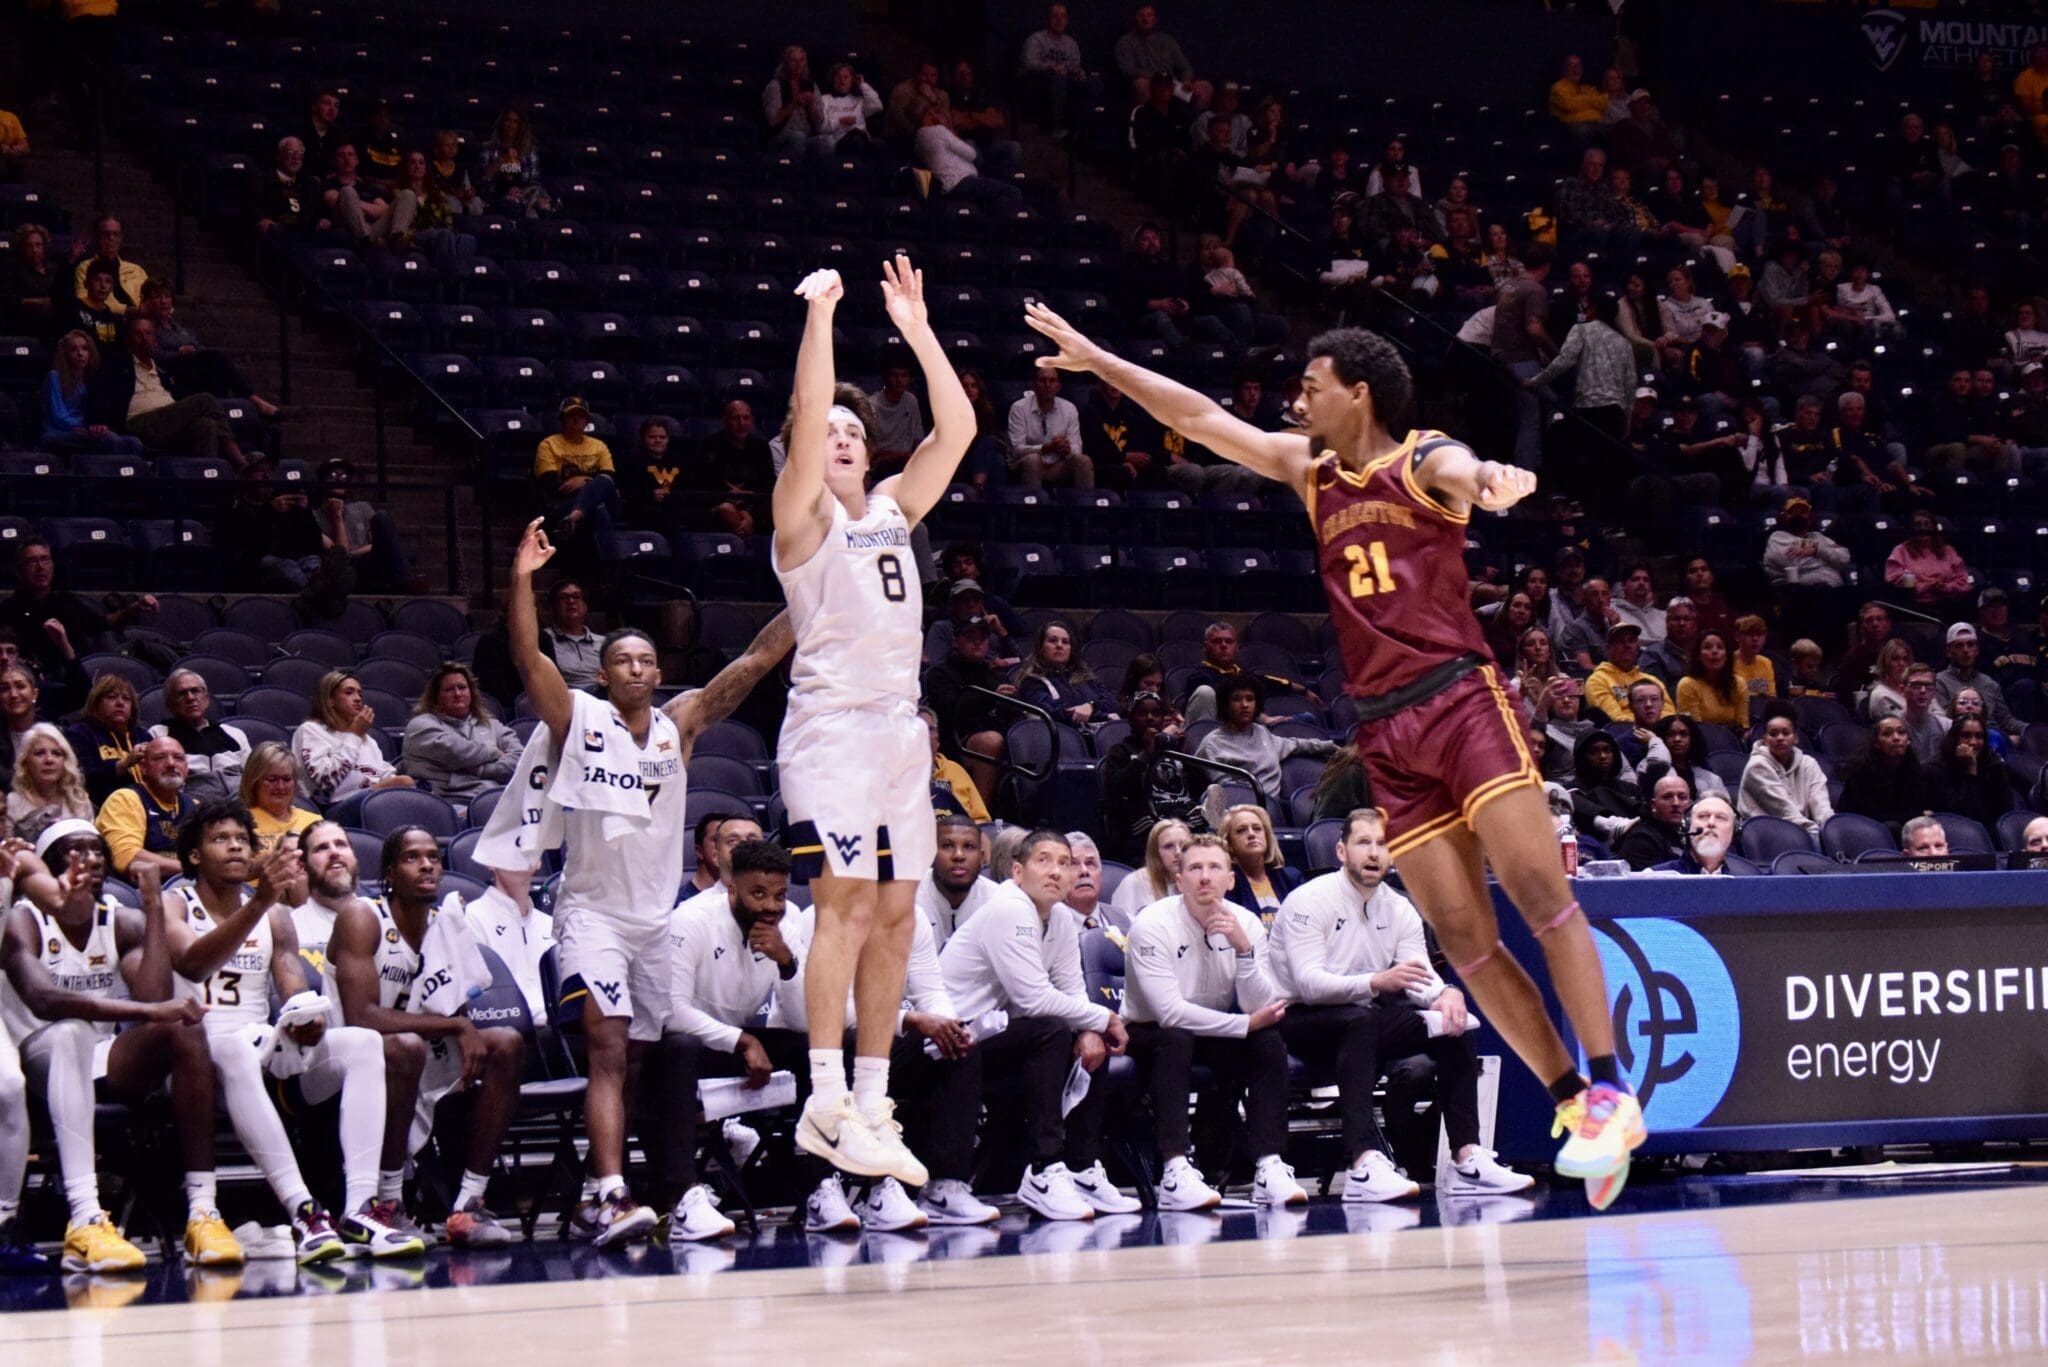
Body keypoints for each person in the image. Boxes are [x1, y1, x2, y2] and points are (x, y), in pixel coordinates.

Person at [1024, 305, 1642, 1205]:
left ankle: (1612, 1086)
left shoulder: (1422, 458)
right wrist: (1100, 359)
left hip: (1461, 701)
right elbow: (1198, 417)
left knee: (1542, 900)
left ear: (1359, 393)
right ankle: (1571, 1101)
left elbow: (1466, 471)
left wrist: (1495, 480)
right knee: (1467, 942)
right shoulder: (1311, 472)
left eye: (1311, 386)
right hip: (1387, 729)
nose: (1297, 399)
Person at [506, 516, 792, 1246]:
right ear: (603, 674)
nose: (635, 668)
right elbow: (529, 657)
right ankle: (606, 1192)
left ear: (659, 673)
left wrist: (816, 589)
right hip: (592, 916)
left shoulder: (680, 726)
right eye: (622, 660)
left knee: (639, 1055)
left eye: (646, 659)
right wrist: (521, 582)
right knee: (607, 1047)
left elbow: (758, 659)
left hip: (654, 922)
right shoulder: (578, 720)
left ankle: (623, 1184)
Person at [767, 258, 974, 1197]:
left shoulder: (894, 510)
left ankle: (874, 1098)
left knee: (898, 912)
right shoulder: (799, 524)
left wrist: (918, 328)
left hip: (898, 734)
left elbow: (959, 427)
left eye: (858, 430)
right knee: (845, 901)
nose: (844, 437)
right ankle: (821, 1094)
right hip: (832, 730)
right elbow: (809, 418)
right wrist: (825, 318)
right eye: (831, 432)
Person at [161, 802, 417, 1259]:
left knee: (361, 1042)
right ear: (195, 856)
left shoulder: (276, 917)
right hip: (198, 1057)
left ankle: (360, 1208)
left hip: (261, 1044)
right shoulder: (176, 902)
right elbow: (191, 961)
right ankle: (303, 1209)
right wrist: (260, 900)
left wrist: (306, 1013)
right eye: (221, 839)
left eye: (242, 839)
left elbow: (289, 977)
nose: (236, 845)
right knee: (236, 1049)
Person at [1, 826, 229, 1272]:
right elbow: (43, 999)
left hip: (98, 1059)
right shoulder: (24, 920)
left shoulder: (119, 918)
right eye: (74, 850)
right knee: (70, 1031)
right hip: (33, 1054)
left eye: (97, 849)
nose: (91, 857)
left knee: (183, 1029)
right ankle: (85, 1215)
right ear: (48, 869)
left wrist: (152, 910)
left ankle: (203, 1210)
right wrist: (147, 1012)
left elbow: (153, 994)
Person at [1272, 809, 1532, 1200]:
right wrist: (1376, 981)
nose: (1374, 853)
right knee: (1360, 1020)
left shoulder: (1399, 907)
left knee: (1453, 1024)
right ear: (1342, 851)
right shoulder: (1307, 902)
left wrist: (1445, 993)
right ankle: (1363, 1163)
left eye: (1383, 845)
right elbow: (1309, 985)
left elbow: (1420, 976)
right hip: (1297, 1020)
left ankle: (1466, 1158)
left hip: (1364, 1017)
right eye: (1364, 843)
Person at [328, 829, 521, 1245]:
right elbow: (362, 1016)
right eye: (413, 857)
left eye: (434, 856)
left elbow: (456, 1004)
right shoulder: (362, 918)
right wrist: (456, 1027)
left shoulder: (446, 926)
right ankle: (390, 1202)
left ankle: (469, 1202)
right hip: (344, 1056)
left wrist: (462, 1027)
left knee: (506, 1042)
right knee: (406, 1047)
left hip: (413, 1051)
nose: (428, 864)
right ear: (390, 873)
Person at [934, 830, 1134, 1222]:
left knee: (1088, 1040)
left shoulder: (1058, 915)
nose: (1058, 871)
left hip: (998, 1037)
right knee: (1056, 1030)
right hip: (950, 1042)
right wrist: (1105, 1018)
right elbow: (1035, 1000)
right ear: (1017, 872)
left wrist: (1093, 1029)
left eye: (1065, 862)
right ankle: (1045, 1169)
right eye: (1045, 861)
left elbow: (1073, 991)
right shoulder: (1009, 908)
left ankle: (1080, 1168)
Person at [1120, 835, 1301, 1210]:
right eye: (1195, 868)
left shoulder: (1247, 923)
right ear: (1179, 880)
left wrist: (1244, 952)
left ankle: (1270, 1166)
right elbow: (1170, 1012)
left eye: (1215, 867)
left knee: (1268, 1042)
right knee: (1177, 1038)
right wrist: (1243, 1025)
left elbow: (1262, 1004)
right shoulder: (1150, 924)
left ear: (1230, 880)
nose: (1205, 877)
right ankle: (1174, 1168)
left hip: (1214, 1026)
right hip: (1149, 1030)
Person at [87, 317, 250, 468]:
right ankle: (239, 462)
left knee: (206, 425)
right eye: (138, 334)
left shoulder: (164, 370)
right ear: (128, 340)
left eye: (148, 333)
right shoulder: (116, 366)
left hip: (168, 424)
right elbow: (100, 394)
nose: (144, 338)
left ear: (155, 340)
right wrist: (97, 420)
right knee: (206, 400)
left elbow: (180, 396)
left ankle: (204, 483)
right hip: (139, 422)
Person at [1196, 676, 1336, 808]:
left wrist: (1331, 746)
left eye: (1250, 699)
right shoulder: (1211, 745)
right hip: (1241, 811)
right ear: (1225, 706)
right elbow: (1228, 791)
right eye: (1236, 699)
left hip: (1276, 809)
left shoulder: (1262, 733)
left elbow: (1296, 744)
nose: (1244, 705)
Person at [1100, 690, 1206, 863]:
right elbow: (1115, 787)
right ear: (1131, 719)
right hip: (1147, 824)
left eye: (1156, 714)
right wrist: (1145, 756)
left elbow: (1201, 785)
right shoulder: (1121, 751)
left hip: (1186, 819)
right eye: (1142, 713)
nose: (1150, 718)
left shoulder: (1173, 750)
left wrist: (1186, 755)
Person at [399, 663, 520, 805]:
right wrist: (493, 751)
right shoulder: (420, 725)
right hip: (448, 803)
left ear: (471, 692)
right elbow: (456, 752)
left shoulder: (491, 725)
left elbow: (519, 759)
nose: (457, 694)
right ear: (435, 696)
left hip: (497, 798)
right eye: (449, 690)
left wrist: (482, 770)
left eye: (462, 687)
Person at [292, 670, 413, 805]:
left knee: (407, 786)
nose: (358, 698)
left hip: (372, 802)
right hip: (330, 807)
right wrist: (354, 736)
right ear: (330, 700)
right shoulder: (311, 730)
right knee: (403, 783)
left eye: (359, 694)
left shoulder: (368, 740)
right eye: (349, 692)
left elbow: (384, 775)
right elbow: (326, 781)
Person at [95, 735, 196, 881]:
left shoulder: (193, 805)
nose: (171, 764)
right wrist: (196, 869)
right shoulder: (125, 799)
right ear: (143, 768)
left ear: (187, 768)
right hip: (137, 894)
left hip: (189, 886)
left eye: (178, 758)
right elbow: (126, 856)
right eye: (160, 758)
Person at [533, 397, 620, 557]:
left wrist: (584, 481)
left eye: (581, 415)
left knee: (603, 487)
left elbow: (608, 479)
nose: (576, 419)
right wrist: (591, 482)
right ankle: (609, 571)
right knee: (597, 510)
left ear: (587, 420)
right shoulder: (548, 444)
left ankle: (572, 519)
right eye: (571, 415)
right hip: (564, 502)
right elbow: (552, 486)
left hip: (600, 499)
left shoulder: (599, 445)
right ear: (562, 419)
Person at [150, 669, 252, 804]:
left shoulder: (234, 734)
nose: (190, 698)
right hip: (194, 811)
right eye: (182, 693)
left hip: (241, 806)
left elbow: (253, 777)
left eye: (195, 691)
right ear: (170, 704)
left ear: (206, 698)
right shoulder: (159, 735)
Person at [42, 330, 144, 456]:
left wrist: (97, 426)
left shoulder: (92, 378)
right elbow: (58, 417)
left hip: (85, 429)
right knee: (107, 438)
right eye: (74, 350)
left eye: (84, 349)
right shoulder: (54, 377)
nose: (80, 354)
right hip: (59, 432)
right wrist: (89, 426)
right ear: (66, 354)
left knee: (134, 442)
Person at [1738, 704, 1834, 836]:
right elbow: (1784, 811)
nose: (1780, 738)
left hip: (1803, 831)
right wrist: (1815, 834)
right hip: (1767, 835)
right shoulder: (1757, 766)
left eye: (1786, 733)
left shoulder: (1809, 764)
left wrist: (1829, 830)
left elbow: (1821, 804)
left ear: (1795, 738)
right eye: (1773, 734)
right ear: (1765, 739)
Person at [1838, 716, 1933, 838]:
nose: (1896, 738)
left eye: (1901, 732)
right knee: (1892, 827)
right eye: (1887, 734)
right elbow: (1872, 815)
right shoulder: (1861, 771)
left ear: (1908, 740)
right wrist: (1917, 814)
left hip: (1902, 826)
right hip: (1862, 829)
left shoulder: (1913, 767)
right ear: (1876, 743)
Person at [1013, 622, 1120, 727]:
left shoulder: (1085, 678)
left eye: (1065, 642)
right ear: (1040, 648)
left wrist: (1091, 706)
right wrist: (1103, 716)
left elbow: (1112, 702)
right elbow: (1053, 713)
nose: (1059, 645)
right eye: (1052, 640)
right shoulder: (1032, 682)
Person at [238, 741, 322, 873]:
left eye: (287, 779)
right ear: (254, 781)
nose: (280, 786)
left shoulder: (314, 822)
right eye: (272, 779)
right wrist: (277, 858)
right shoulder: (239, 822)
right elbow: (232, 872)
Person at [918, 812, 995, 950]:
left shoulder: (997, 901)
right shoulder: (909, 897)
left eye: (969, 846)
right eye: (947, 846)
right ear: (930, 853)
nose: (958, 855)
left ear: (982, 858)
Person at [6, 725, 92, 848]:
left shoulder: (79, 801)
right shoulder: (12, 803)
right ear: (25, 762)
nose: (49, 760)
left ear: (65, 761)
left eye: (57, 754)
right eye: (40, 753)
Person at [1006, 368, 1092, 489]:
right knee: (1033, 460)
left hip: (1058, 464)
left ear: (1058, 386)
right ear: (1034, 385)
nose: (1047, 385)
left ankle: (1085, 504)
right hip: (1025, 464)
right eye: (1042, 380)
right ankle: (1033, 504)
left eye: (1052, 381)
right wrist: (1044, 448)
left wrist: (1067, 449)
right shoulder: (1019, 408)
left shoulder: (1069, 409)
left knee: (1083, 461)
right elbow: (1016, 450)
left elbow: (1077, 448)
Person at [1219, 802, 1299, 921]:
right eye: (1241, 830)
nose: (1251, 834)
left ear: (1266, 837)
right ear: (1229, 844)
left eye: (1257, 829)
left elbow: (1305, 920)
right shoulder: (1227, 885)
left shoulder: (1290, 878)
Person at [1931, 716, 2013, 830]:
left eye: (1979, 736)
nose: (1973, 742)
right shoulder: (1935, 769)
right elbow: (1961, 814)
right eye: (1966, 735)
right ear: (1954, 738)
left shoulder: (1994, 766)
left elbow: (2005, 811)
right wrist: (1970, 769)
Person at [1936, 623, 2017, 737]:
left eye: (1970, 644)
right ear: (1949, 652)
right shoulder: (1939, 682)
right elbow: (1943, 721)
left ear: (1976, 650)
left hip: (1996, 738)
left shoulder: (1990, 683)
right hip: (1959, 737)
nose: (1965, 650)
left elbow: (2006, 720)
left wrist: (2031, 729)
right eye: (1959, 645)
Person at [1108, 816, 1191, 924]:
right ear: (1155, 853)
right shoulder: (1135, 882)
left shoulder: (1200, 880)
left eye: (1183, 845)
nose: (1178, 852)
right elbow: (1119, 930)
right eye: (1168, 846)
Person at [1585, 622, 1672, 723]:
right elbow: (1616, 719)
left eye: (1631, 640)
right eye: (1620, 641)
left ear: (1638, 647)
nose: (1627, 645)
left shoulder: (1652, 680)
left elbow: (1670, 713)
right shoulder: (1597, 680)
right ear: (1608, 649)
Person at [1653, 794, 1760, 875]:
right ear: (1687, 826)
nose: (1711, 823)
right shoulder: (1654, 877)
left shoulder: (1749, 879)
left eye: (1721, 818)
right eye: (1703, 816)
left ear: (1734, 831)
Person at [1615, 769, 1693, 870]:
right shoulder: (1641, 839)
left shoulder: (1691, 835)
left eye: (1682, 797)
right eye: (1667, 797)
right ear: (1653, 805)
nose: (1675, 803)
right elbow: (1648, 883)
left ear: (1690, 805)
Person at [1653, 713, 1728, 803]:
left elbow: (1726, 809)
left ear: (1692, 739)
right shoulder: (1654, 773)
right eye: (1671, 734)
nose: (1677, 739)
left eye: (1683, 734)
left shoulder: (1711, 779)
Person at [1676, 630, 1745, 729]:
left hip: (1732, 740)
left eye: (1720, 647)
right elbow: (1694, 729)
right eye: (1707, 647)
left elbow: (1743, 725)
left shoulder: (1738, 683)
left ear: (1727, 656)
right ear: (1698, 656)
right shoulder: (1687, 684)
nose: (1714, 651)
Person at [1901, 664, 1954, 763]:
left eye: (1929, 686)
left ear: (1934, 692)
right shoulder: (1893, 726)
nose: (1923, 691)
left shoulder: (1947, 726)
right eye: (1915, 686)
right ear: (1903, 690)